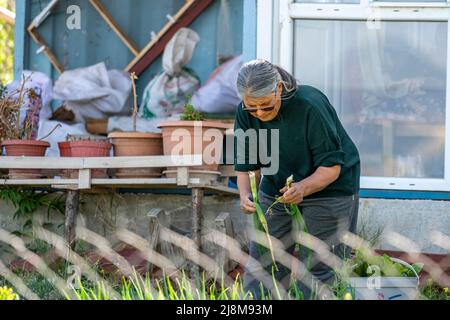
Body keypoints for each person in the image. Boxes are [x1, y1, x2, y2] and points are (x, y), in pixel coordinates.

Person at [233, 59, 361, 299]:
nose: (259, 113)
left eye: (266, 106)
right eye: (252, 108)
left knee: (320, 265)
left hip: (330, 186)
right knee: (264, 259)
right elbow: (246, 164)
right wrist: (244, 194)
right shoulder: (245, 111)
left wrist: (302, 187)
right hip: (277, 186)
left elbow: (331, 167)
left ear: (279, 89)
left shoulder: (309, 105)